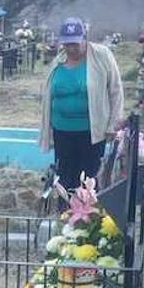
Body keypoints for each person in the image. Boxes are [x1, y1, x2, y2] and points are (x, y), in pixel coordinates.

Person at [38, 17, 124, 196]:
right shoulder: (59, 62)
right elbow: (48, 93)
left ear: (84, 39)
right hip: (62, 131)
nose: (71, 48)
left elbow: (115, 90)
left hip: (91, 132)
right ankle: (65, 216)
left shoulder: (101, 55)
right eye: (67, 44)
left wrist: (113, 123)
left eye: (75, 44)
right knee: (64, 177)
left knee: (89, 178)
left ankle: (87, 219)